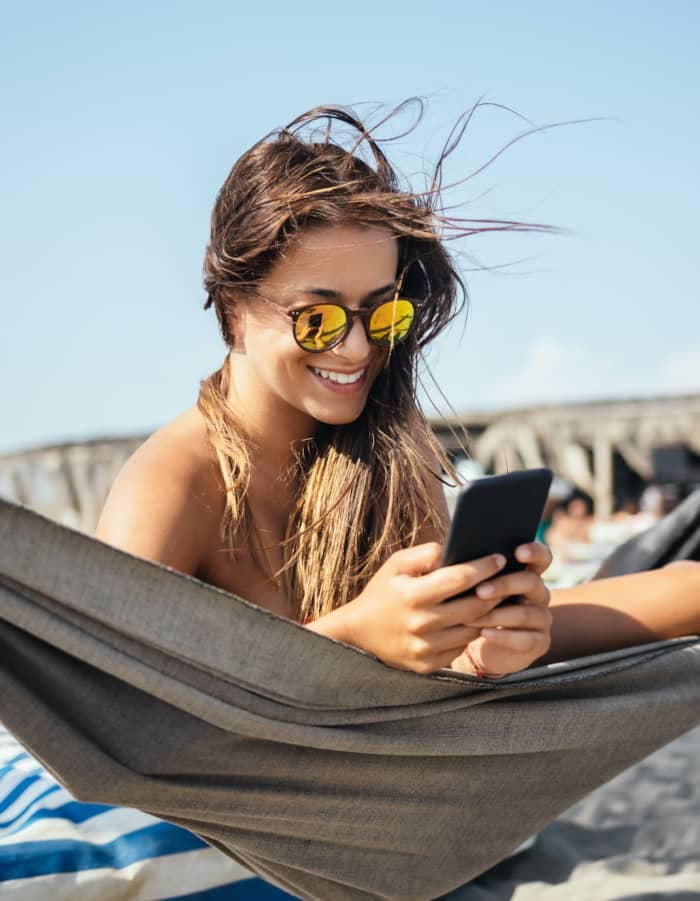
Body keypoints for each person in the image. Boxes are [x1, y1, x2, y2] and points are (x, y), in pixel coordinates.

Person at [95, 103, 700, 680]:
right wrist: (353, 637)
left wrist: (489, 645)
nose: (357, 349)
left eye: (382, 315)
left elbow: (427, 677)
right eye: (317, 319)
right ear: (233, 310)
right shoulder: (171, 486)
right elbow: (119, 706)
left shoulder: (386, 435)